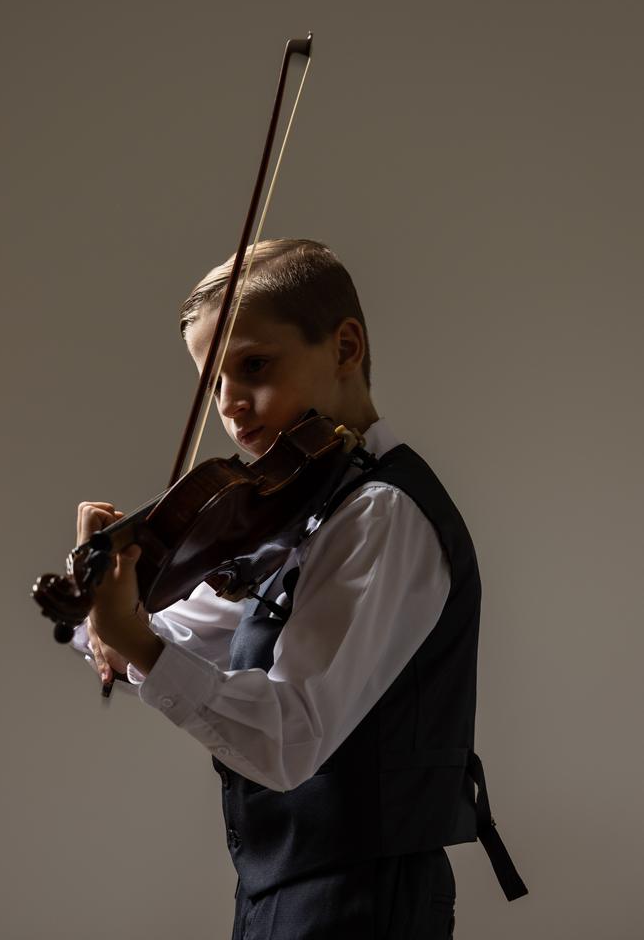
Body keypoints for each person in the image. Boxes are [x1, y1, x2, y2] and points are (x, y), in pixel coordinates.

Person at [76, 238, 527, 939]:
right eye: (211, 382)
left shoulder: (382, 513)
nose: (231, 406)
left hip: (361, 905)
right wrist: (104, 603)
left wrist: (130, 639)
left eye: (253, 366)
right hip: (285, 899)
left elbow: (289, 738)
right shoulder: (294, 513)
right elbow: (174, 633)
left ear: (346, 346)